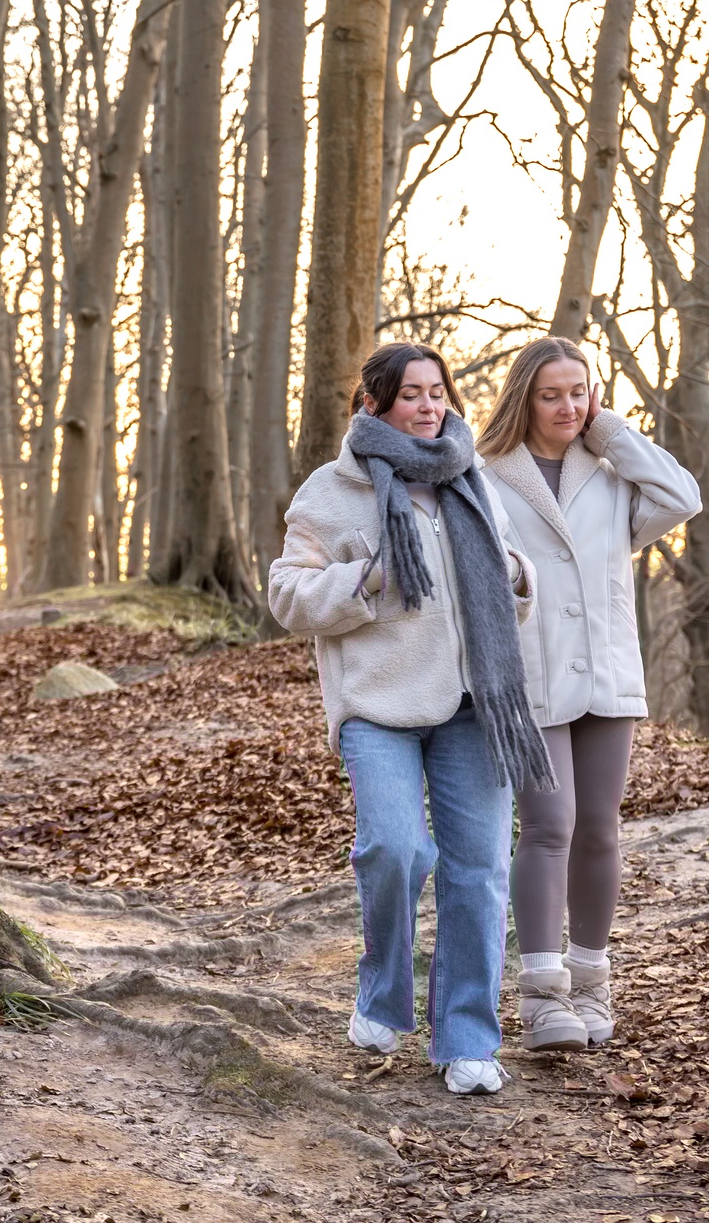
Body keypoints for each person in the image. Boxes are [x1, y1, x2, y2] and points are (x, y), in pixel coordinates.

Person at [269, 342, 551, 1096]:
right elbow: (288, 596)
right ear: (374, 406)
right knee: (394, 848)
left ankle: (466, 1039)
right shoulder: (330, 493)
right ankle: (382, 992)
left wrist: (518, 574)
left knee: (479, 872)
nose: (430, 408)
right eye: (412, 395)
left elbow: (514, 572)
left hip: (472, 702)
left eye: (438, 393)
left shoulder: (470, 476)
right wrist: (366, 577)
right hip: (379, 707)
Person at [477, 337, 701, 1051]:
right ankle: (543, 996)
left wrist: (610, 430)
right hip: (531, 675)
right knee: (549, 824)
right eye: (552, 394)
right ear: (523, 399)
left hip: (606, 669)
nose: (567, 406)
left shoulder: (608, 475)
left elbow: (682, 496)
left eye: (580, 392)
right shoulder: (488, 477)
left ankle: (592, 980)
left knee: (600, 828)